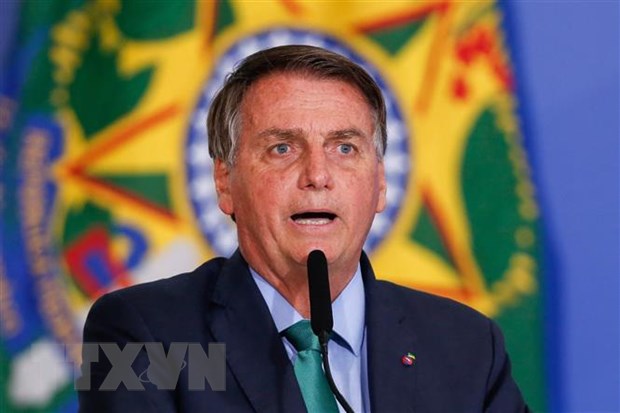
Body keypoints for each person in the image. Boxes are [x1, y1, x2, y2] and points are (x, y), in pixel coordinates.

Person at [78, 45, 529, 412]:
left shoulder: (466, 347)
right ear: (225, 181)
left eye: (344, 148)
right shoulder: (144, 336)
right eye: (282, 148)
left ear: (380, 184)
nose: (317, 175)